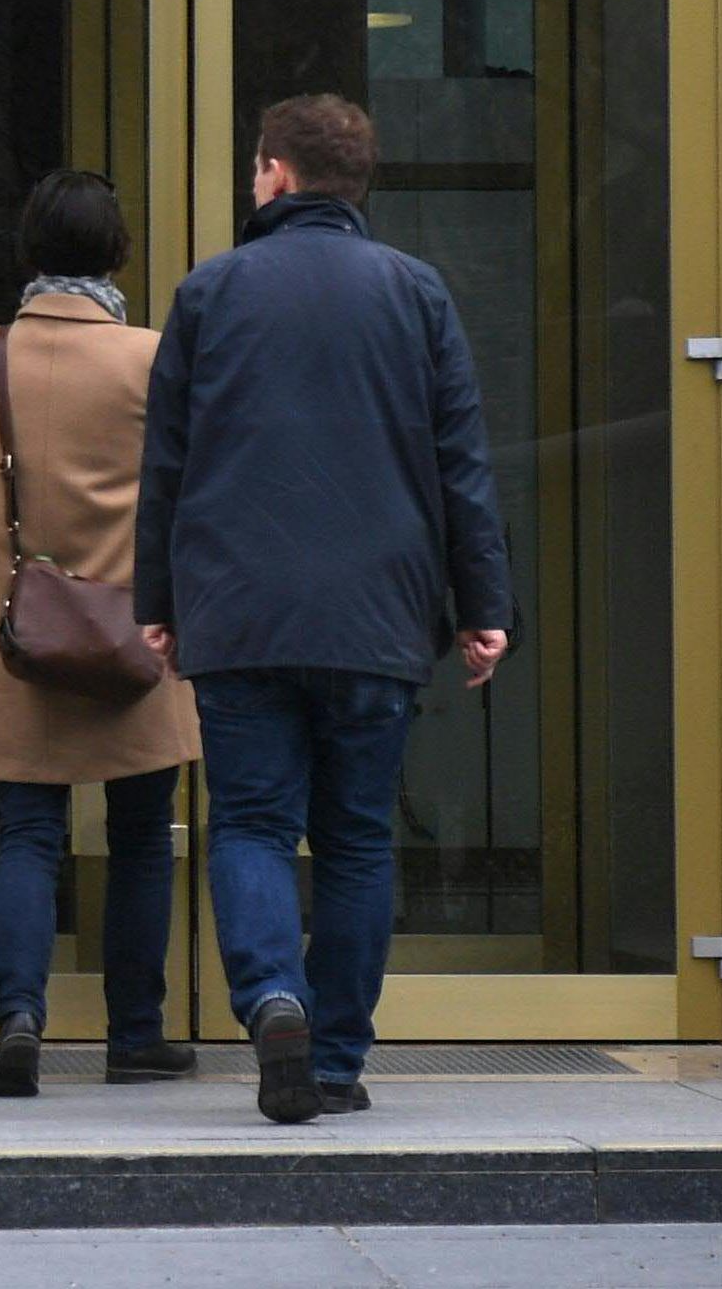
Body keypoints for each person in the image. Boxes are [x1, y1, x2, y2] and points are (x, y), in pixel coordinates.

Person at [137, 94, 513, 1125]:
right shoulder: (415, 291)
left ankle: (272, 998)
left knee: (251, 823)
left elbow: (165, 465)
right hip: (376, 614)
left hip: (239, 609)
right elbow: (460, 462)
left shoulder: (210, 291)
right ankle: (336, 1057)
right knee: (353, 839)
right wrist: (482, 602)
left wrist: (157, 600)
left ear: (274, 172)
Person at [0, 169, 202, 1097]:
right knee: (141, 834)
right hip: (134, 635)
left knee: (27, 829)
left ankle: (18, 1018)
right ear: (118, 252)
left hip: (23, 636)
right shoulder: (150, 356)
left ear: (29, 251)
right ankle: (135, 1035)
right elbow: (184, 495)